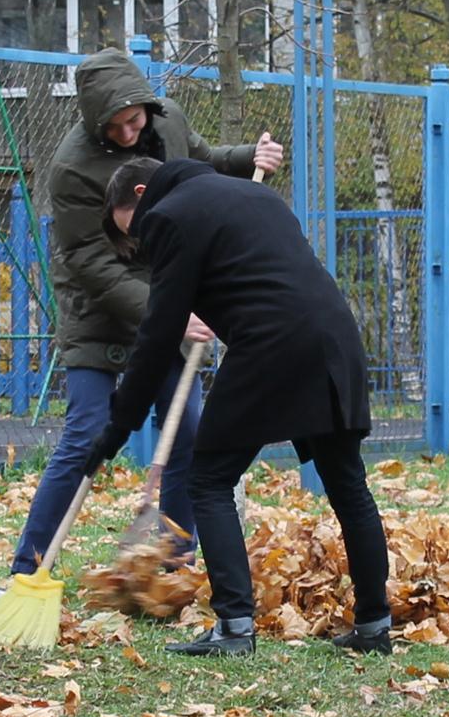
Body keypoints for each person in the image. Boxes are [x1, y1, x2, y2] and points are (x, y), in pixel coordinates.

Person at [88, 154, 386, 656]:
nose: (142, 241)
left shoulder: (170, 214)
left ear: (142, 195)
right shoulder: (254, 195)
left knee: (208, 478)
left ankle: (233, 627)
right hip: (333, 337)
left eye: (135, 229)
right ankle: (376, 625)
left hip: (272, 346)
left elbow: (158, 334)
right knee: (348, 484)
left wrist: (116, 428)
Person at [7, 49, 278, 577]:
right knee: (86, 433)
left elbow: (201, 161)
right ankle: (27, 568)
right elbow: (86, 259)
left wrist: (250, 157)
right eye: (116, 126)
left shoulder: (169, 118)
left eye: (135, 121)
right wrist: (166, 314)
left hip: (171, 295)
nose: (129, 133)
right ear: (93, 121)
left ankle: (172, 570)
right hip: (102, 311)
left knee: (186, 432)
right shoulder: (71, 167)